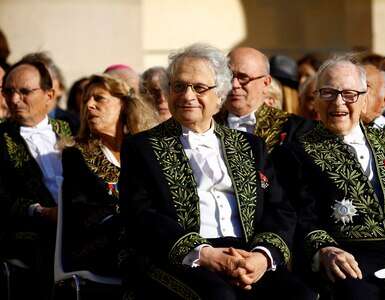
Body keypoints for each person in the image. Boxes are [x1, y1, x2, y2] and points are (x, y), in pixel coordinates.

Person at [119, 43, 314, 299]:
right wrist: (205, 254)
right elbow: (141, 214)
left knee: (301, 295)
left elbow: (279, 208)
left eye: (199, 88)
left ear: (219, 95)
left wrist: (262, 256)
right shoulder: (142, 146)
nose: (188, 96)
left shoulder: (250, 145)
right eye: (179, 86)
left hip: (246, 254)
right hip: (178, 257)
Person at [273, 55, 385, 299]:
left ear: (364, 98)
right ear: (315, 99)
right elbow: (302, 215)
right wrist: (325, 250)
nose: (338, 103)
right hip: (348, 263)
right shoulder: (295, 152)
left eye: (349, 94)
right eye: (328, 93)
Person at [61, 74, 154, 276]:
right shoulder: (76, 155)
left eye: (99, 98)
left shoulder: (144, 151)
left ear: (123, 104)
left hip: (144, 238)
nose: (89, 106)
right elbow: (82, 212)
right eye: (86, 101)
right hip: (98, 245)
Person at [0, 59, 72, 300]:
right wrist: (39, 211)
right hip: (28, 229)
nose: (14, 99)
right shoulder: (1, 136)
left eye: (24, 91)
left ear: (49, 95)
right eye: (8, 91)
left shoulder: (72, 128)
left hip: (77, 223)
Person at [215, 47, 314, 153]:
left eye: (243, 78)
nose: (234, 85)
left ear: (266, 83)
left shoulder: (294, 128)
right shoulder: (207, 125)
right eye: (229, 77)